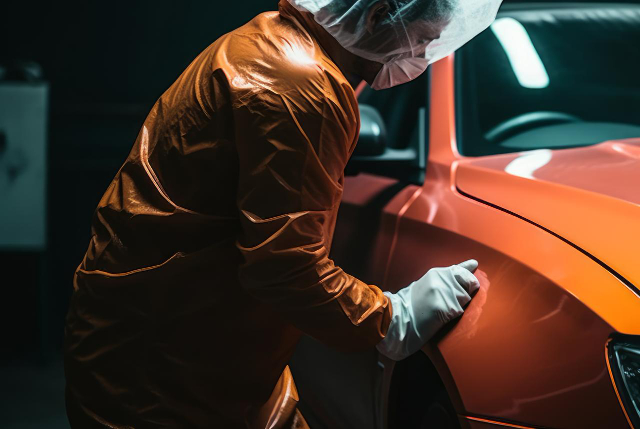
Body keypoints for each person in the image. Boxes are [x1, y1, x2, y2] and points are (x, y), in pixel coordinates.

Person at [63, 0, 502, 427]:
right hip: (164, 371)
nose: (420, 57)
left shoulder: (272, 39)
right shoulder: (301, 87)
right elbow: (285, 268)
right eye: (423, 39)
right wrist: (391, 319)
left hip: (197, 343)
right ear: (378, 13)